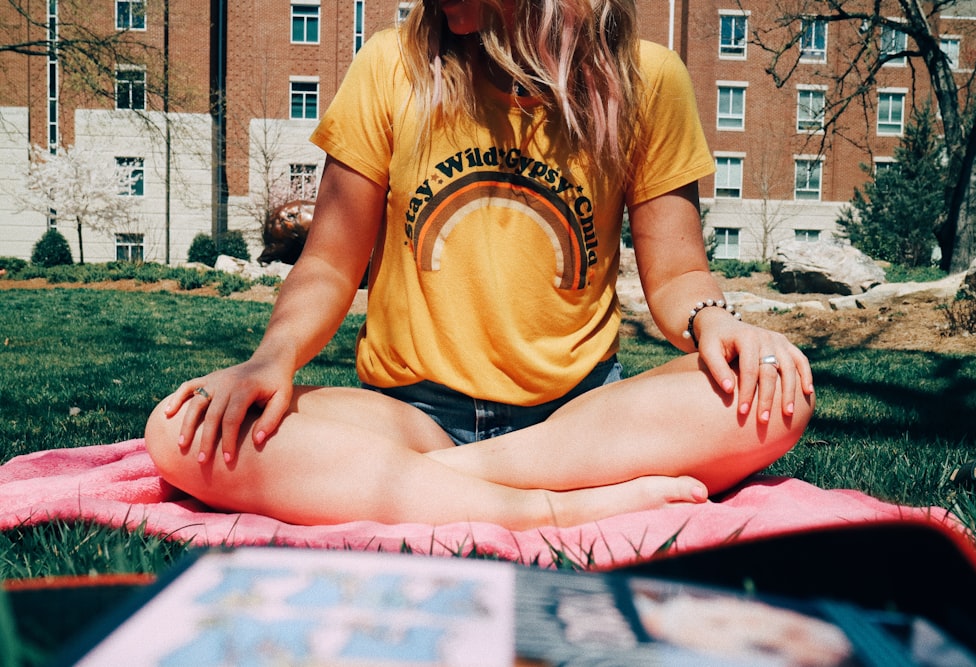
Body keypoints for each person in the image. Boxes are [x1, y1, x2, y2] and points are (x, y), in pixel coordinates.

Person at [145, 0, 815, 530]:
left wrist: (714, 322)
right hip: (414, 413)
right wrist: (273, 357)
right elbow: (327, 262)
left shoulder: (648, 80)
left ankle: (423, 484)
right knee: (179, 432)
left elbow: (676, 274)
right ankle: (549, 508)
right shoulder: (389, 67)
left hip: (580, 420)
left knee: (780, 394)